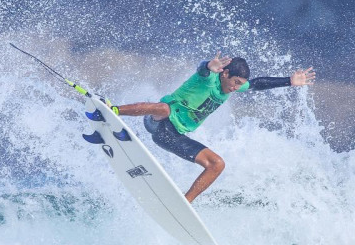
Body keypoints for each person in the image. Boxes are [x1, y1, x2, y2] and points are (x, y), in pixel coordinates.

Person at [115, 52, 316, 202]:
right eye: (235, 82)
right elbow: (202, 70)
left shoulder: (233, 86)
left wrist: (289, 81)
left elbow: (256, 84)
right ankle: (114, 110)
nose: (236, 88)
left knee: (217, 164)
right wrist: (208, 65)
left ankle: (186, 202)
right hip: (156, 123)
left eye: (240, 84)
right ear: (225, 73)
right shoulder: (208, 78)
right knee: (163, 108)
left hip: (173, 136)